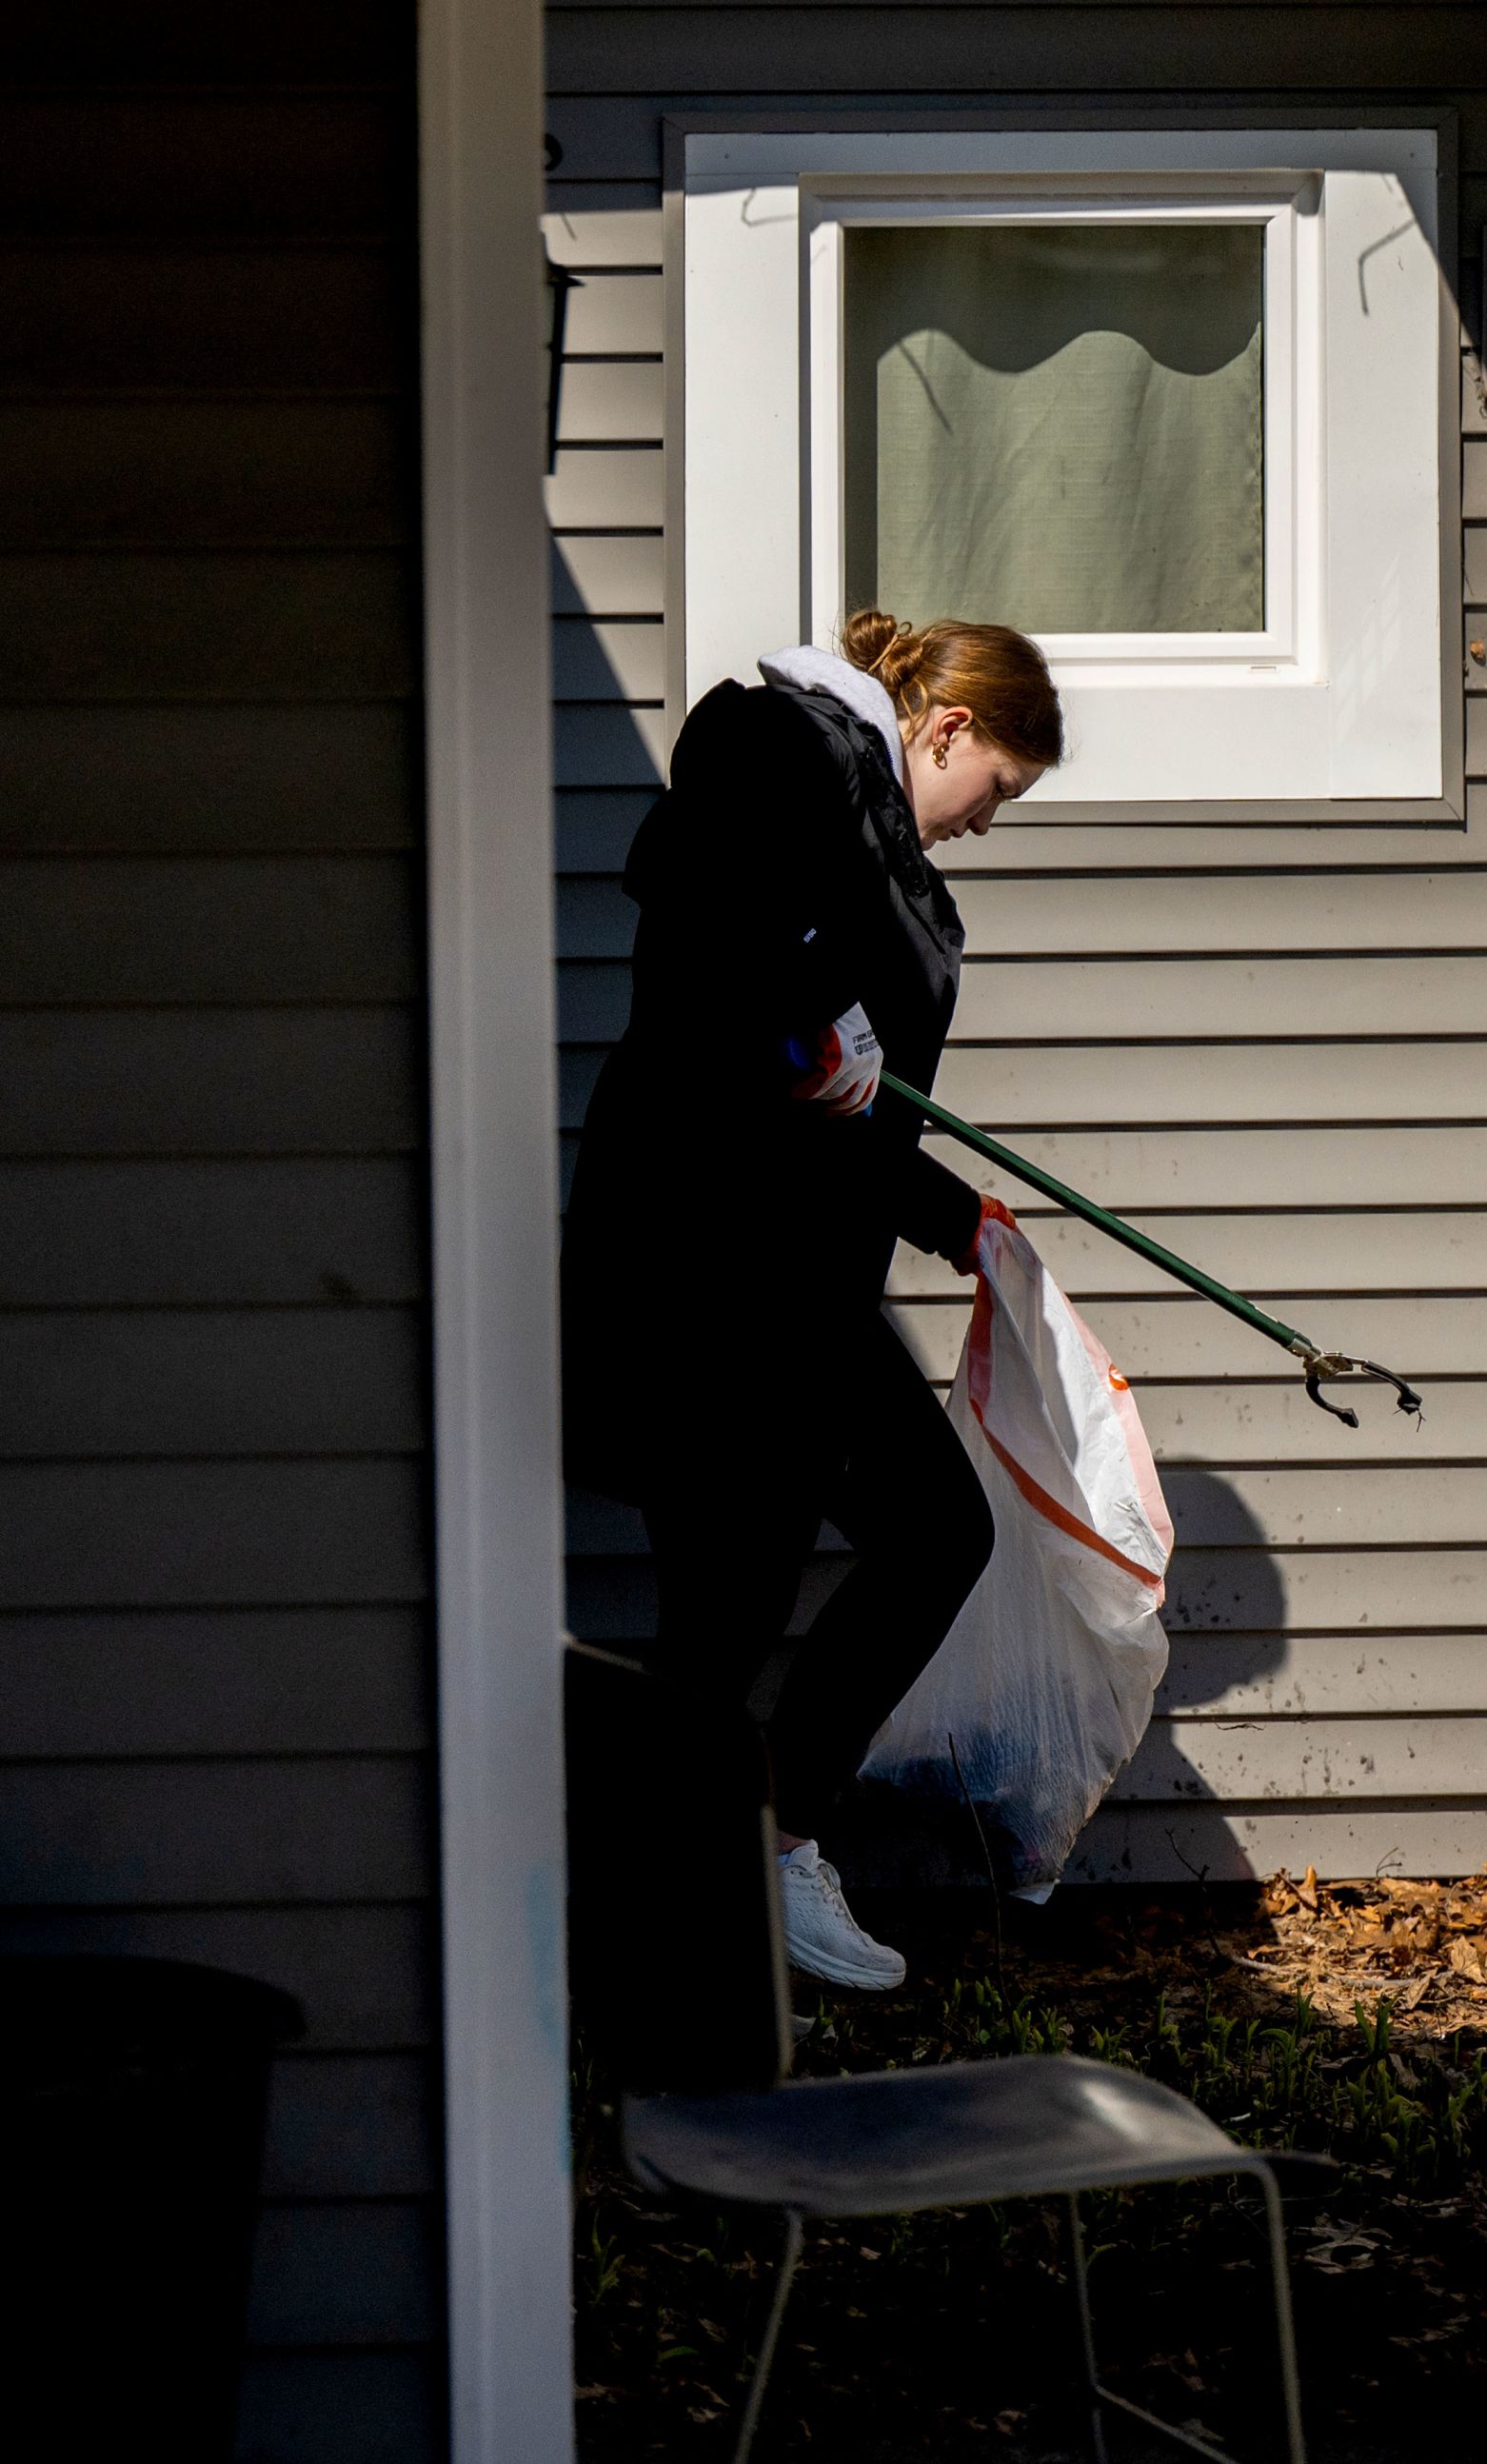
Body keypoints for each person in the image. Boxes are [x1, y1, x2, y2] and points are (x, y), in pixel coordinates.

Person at [562, 609, 1062, 1991]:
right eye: (998, 790)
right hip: (703, 1276)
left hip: (789, 1279)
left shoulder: (866, 805)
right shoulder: (778, 735)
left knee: (895, 1548)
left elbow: (839, 1101)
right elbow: (693, 921)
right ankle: (682, 1924)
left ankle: (746, 1862)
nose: (987, 823)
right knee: (735, 1608)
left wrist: (949, 1211)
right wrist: (794, 1022)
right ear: (944, 727)